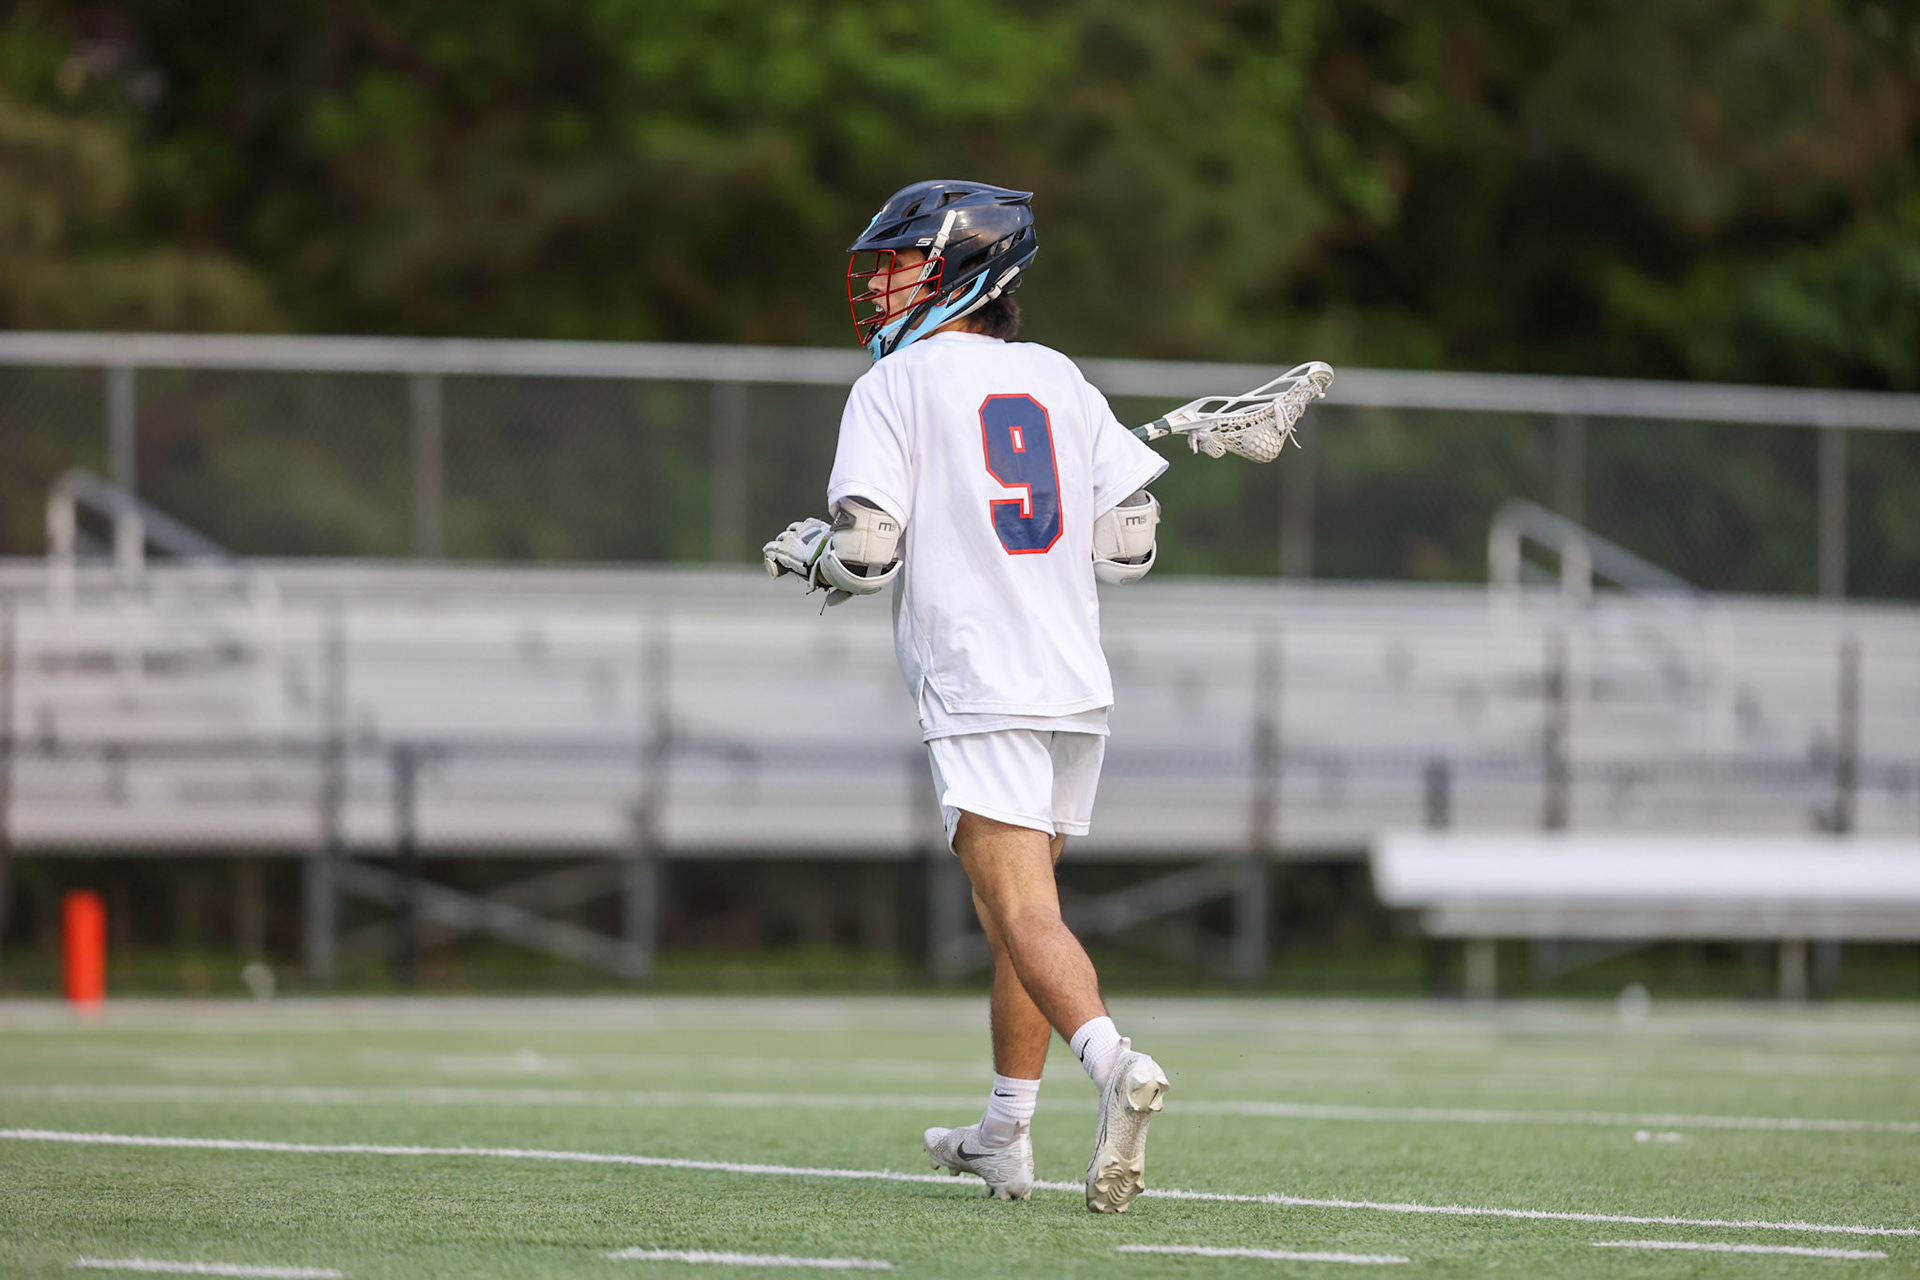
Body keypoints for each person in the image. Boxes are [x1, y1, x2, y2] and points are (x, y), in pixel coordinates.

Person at [762, 180, 1171, 1214]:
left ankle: (1116, 1060)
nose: (886, 286)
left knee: (1021, 908)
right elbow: (1131, 547)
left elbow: (866, 553)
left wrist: (812, 556)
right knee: (1020, 919)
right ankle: (1005, 1130)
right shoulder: (1062, 377)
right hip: (1072, 678)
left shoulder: (895, 385)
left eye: (902, 265)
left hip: (979, 673)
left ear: (959, 275)